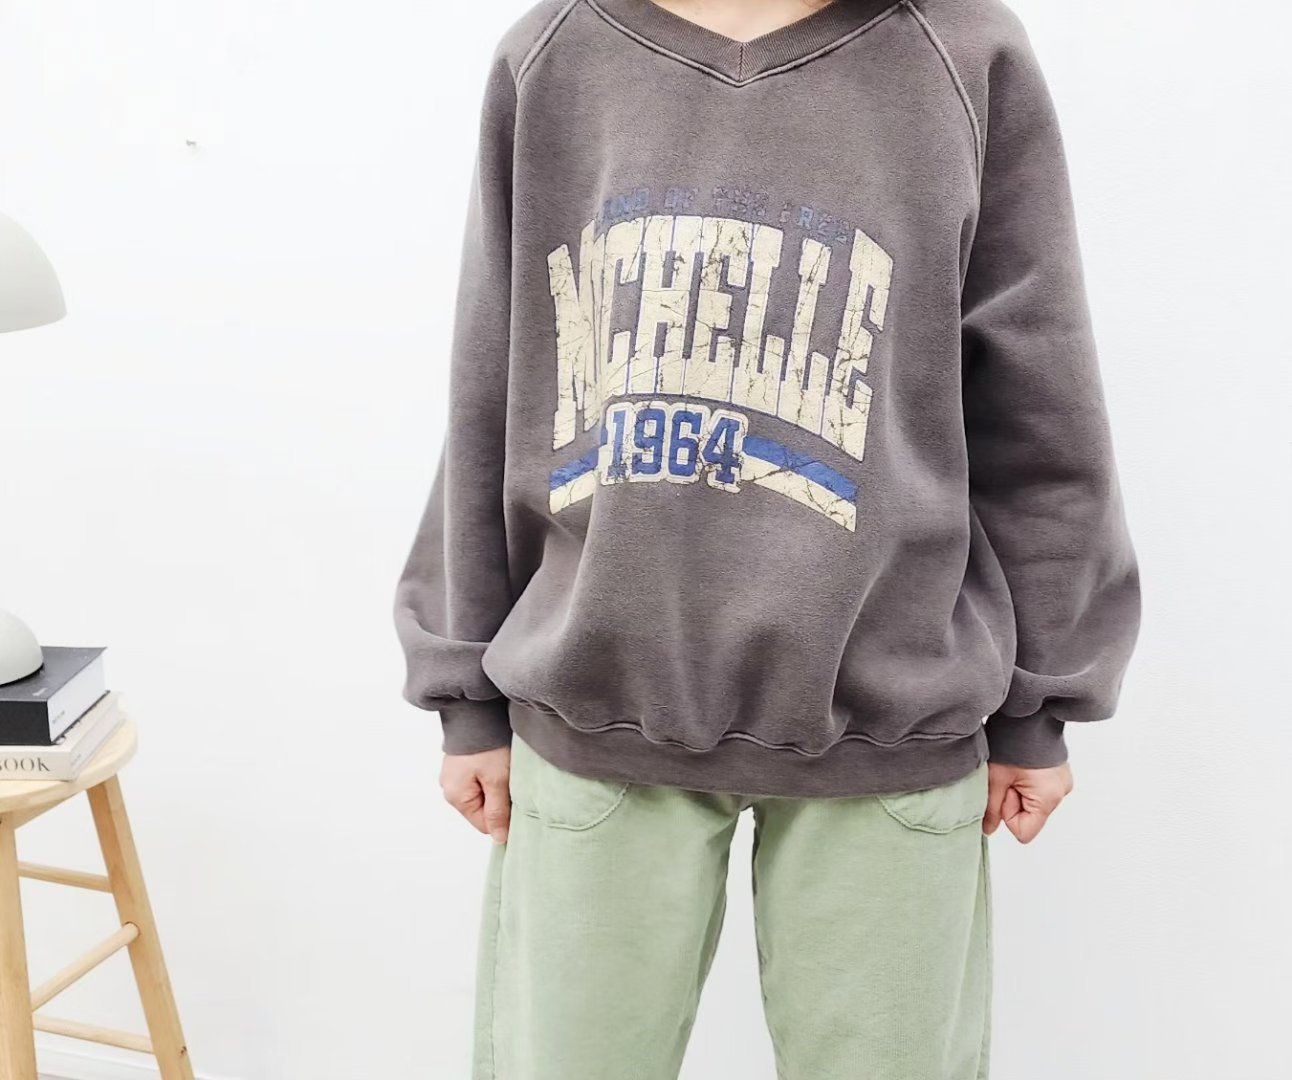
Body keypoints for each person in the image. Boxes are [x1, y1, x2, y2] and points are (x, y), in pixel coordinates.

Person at [394, 0, 1141, 1075]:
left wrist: (1041, 704)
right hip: (593, 707)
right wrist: (465, 685)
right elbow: (496, 384)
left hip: (890, 716)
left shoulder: (963, 54)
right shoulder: (555, 54)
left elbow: (1039, 399)